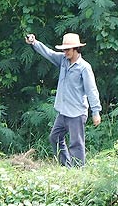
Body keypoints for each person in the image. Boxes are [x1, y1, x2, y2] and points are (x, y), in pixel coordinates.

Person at [25, 32, 102, 166]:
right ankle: (66, 166)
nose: (65, 52)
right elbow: (48, 53)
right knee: (54, 137)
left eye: (67, 49)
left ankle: (78, 171)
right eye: (64, 49)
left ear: (76, 49)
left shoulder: (84, 67)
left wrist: (96, 112)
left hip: (77, 113)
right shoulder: (63, 60)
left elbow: (92, 90)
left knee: (76, 144)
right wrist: (34, 43)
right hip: (63, 111)